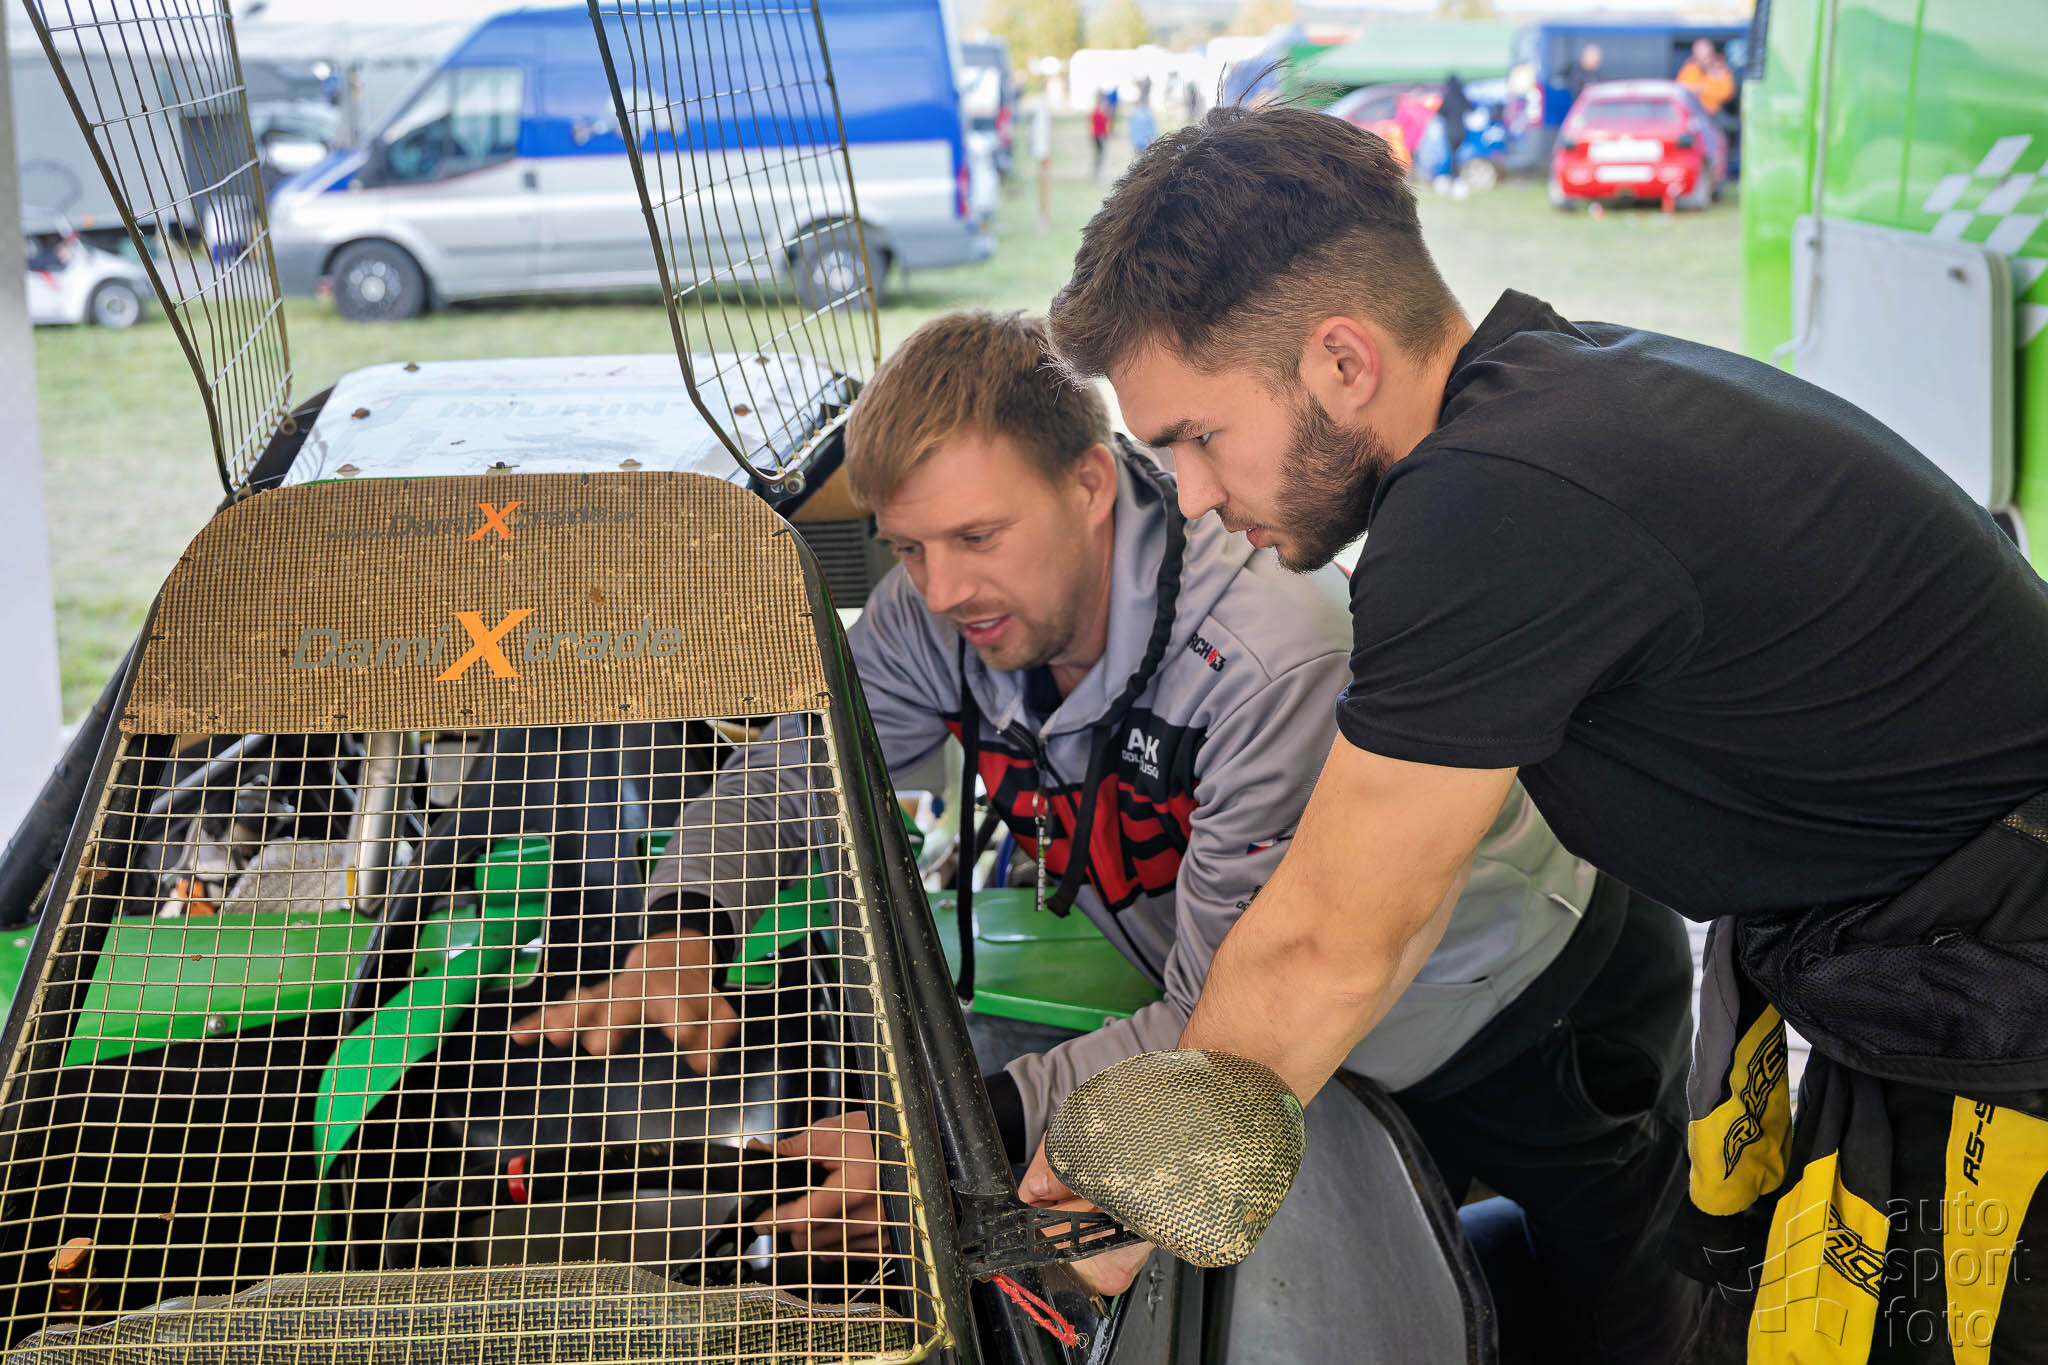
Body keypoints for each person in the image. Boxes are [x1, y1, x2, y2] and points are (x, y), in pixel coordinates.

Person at [1040, 103, 2048, 1362]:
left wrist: (1130, 1200)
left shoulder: (1487, 505)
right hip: (1929, 952)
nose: (1189, 496)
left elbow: (1330, 941)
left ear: (1341, 361)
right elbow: (1382, 905)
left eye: (1197, 437)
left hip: (2004, 990)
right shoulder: (1548, 399)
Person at [511, 309, 1706, 1363]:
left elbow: (1235, 1010)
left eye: (977, 536)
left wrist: (943, 1134)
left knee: (1625, 1309)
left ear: (1089, 483)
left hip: (1512, 998)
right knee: (1366, 1282)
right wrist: (684, 927)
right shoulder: (943, 610)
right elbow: (794, 772)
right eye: (906, 546)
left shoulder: (1270, 652)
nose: (938, 590)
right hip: (1292, 1048)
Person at [1676, 38, 1735, 117]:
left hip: (1714, 114)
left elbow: (1727, 93)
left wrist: (1706, 89)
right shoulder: (1689, 69)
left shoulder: (1720, 68)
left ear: (1712, 54)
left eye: (1706, 56)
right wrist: (1696, 89)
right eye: (1700, 56)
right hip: (1692, 114)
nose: (1704, 60)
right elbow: (1680, 89)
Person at [1434, 71, 1470, 186]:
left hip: (1451, 131)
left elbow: (1440, 112)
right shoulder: (1461, 96)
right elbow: (1470, 108)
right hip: (1462, 130)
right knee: (1458, 155)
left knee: (1451, 155)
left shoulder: (1448, 97)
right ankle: (1456, 176)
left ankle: (1452, 176)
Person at [1028, 88, 1053, 231]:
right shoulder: (1040, 109)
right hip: (1042, 153)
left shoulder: (1042, 109)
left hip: (1043, 153)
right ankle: (1042, 217)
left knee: (1044, 186)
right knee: (1042, 186)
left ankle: (1043, 217)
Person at [1088, 94, 1109, 180]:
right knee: (1099, 154)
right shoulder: (1097, 113)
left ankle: (1098, 171)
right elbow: (1098, 125)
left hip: (1101, 136)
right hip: (1098, 136)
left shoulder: (1102, 112)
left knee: (1100, 154)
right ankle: (1097, 172)